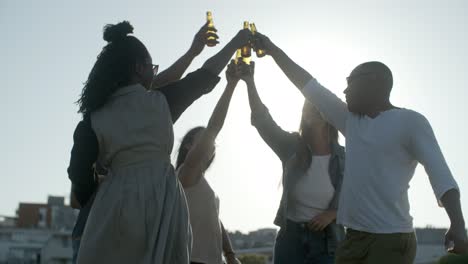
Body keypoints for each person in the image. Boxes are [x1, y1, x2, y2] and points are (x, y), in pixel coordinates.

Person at [251, 32, 468, 264]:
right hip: (352, 239)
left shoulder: (411, 122)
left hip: (391, 239)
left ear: (373, 81)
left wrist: (457, 223)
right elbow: (307, 85)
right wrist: (273, 50)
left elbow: (440, 174)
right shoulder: (350, 121)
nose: (344, 91)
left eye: (349, 82)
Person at [67, 21, 251, 263]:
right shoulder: (159, 102)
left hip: (113, 202)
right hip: (163, 199)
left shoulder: (93, 117)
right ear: (137, 68)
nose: (154, 74)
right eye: (151, 68)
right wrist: (237, 41)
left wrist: (101, 187)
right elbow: (205, 75)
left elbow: (78, 174)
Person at [238, 61, 345, 264]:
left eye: (317, 106)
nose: (312, 110)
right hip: (291, 236)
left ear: (328, 114)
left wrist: (331, 214)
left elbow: (356, 198)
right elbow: (262, 121)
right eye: (308, 106)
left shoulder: (345, 157)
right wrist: (250, 82)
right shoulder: (291, 146)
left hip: (328, 240)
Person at [175, 61, 242, 264]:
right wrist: (230, 86)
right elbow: (214, 127)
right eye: (204, 139)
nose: (210, 143)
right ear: (188, 146)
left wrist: (229, 255)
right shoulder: (185, 174)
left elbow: (215, 220)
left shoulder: (200, 181)